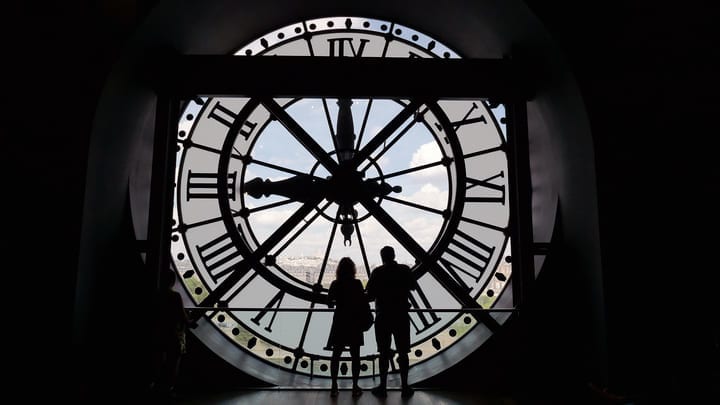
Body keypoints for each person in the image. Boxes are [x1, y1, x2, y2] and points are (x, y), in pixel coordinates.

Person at [365, 246, 418, 398]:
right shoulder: (404, 270)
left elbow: (369, 295)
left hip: (383, 316)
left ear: (382, 257)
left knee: (383, 352)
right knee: (403, 352)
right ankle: (405, 386)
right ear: (394, 255)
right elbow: (413, 286)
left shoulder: (377, 272)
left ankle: (383, 386)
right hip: (401, 315)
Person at [326, 257, 366, 398]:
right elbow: (362, 301)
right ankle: (355, 386)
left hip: (340, 322)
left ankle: (334, 386)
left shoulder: (335, 284)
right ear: (353, 270)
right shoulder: (357, 283)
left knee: (336, 355)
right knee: (356, 356)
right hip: (354, 322)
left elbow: (330, 302)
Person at [149, 270, 190, 399]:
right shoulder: (175, 296)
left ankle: (155, 386)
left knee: (158, 361)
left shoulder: (155, 295)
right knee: (172, 364)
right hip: (173, 335)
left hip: (158, 334)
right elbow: (182, 316)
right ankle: (167, 388)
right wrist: (190, 322)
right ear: (172, 281)